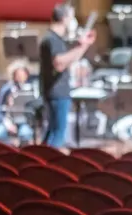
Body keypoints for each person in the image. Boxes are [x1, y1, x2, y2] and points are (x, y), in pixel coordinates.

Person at [40, 3, 96, 148]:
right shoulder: (52, 39)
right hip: (57, 92)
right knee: (58, 134)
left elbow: (68, 59)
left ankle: (41, 157)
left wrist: (84, 45)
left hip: (55, 91)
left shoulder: (55, 39)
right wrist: (81, 46)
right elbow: (59, 63)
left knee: (52, 132)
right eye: (72, 17)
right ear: (64, 18)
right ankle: (48, 160)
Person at [0, 60, 34, 145]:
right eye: (19, 74)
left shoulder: (30, 88)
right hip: (8, 120)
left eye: (23, 74)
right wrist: (8, 124)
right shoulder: (6, 89)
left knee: (26, 134)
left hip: (23, 121)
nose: (21, 77)